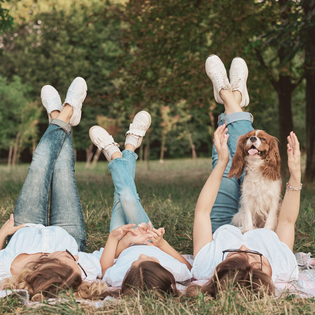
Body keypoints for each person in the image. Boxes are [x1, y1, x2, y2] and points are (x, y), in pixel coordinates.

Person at [188, 55, 301, 297]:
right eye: (254, 256)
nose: (242, 245)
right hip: (252, 216)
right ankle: (231, 97)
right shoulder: (283, 266)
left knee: (223, 155)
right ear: (268, 272)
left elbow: (202, 213)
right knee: (235, 151)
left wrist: (222, 166)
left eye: (234, 255)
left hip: (220, 225)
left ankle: (231, 97)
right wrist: (295, 175)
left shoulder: (205, 265)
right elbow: (287, 222)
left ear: (220, 268)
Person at [0, 78, 103, 299]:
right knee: (63, 168)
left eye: (67, 258)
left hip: (22, 228)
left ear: (42, 264)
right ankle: (63, 114)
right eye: (75, 261)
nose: (76, 258)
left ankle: (61, 114)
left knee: (39, 165)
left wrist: (3, 233)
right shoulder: (77, 271)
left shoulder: (9, 269)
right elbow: (107, 259)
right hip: (69, 233)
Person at [88, 112, 192, 296]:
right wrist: (160, 244)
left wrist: (124, 239)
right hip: (148, 234)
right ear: (163, 271)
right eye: (149, 259)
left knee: (122, 195)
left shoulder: (120, 276)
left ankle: (126, 148)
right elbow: (188, 266)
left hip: (121, 238)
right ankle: (115, 152)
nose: (142, 254)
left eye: (137, 261)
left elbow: (105, 269)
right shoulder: (175, 272)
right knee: (127, 197)